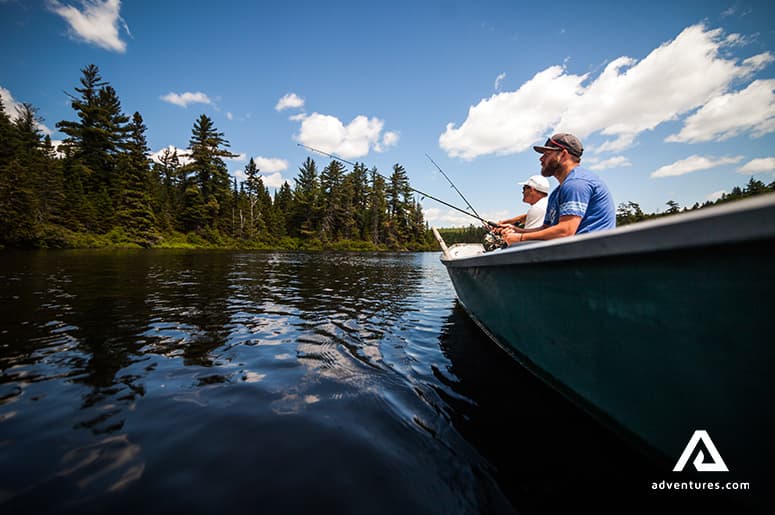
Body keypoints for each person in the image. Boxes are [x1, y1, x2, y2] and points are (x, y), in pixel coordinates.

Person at [497, 133, 615, 245]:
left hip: (592, 259)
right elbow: (546, 229)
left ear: (563, 155)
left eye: (547, 154)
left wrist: (520, 238)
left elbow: (565, 231)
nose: (541, 159)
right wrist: (517, 230)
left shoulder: (576, 183)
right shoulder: (556, 193)